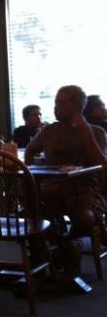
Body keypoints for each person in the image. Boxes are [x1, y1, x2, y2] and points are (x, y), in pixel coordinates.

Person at [25, 85, 107, 276]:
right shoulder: (49, 131)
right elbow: (30, 151)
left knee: (85, 217)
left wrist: (85, 130)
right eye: (55, 102)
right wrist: (33, 176)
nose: (56, 107)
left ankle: (67, 247)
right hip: (52, 187)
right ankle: (68, 247)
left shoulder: (96, 132)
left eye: (61, 103)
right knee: (31, 216)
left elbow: (102, 164)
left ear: (76, 107)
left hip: (85, 188)